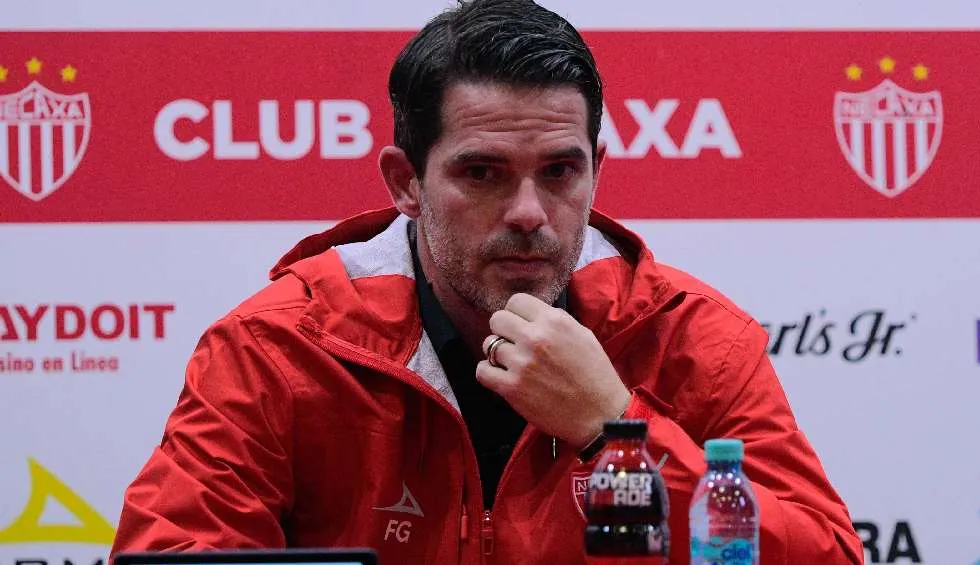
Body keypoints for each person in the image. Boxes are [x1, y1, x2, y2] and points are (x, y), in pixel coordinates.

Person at [109, 1, 863, 563]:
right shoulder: (277, 348)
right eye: (482, 173)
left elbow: (825, 555)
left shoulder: (693, 340)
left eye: (560, 171)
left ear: (596, 169)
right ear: (406, 182)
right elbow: (173, 554)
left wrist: (616, 431)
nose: (529, 213)